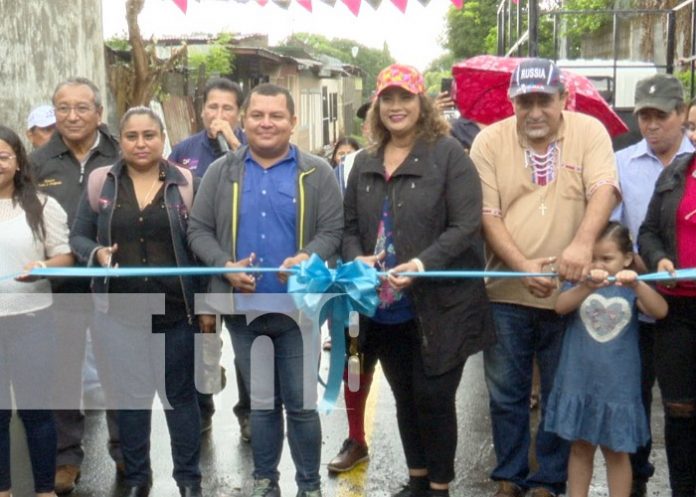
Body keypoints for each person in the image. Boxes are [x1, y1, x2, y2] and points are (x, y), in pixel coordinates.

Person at [342, 63, 495, 497]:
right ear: (376, 107)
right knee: (404, 395)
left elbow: (466, 225)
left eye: (404, 98)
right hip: (385, 305)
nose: (395, 107)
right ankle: (418, 478)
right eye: (387, 99)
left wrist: (423, 264)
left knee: (433, 396)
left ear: (421, 103)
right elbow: (349, 226)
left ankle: (441, 486)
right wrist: (357, 259)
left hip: (442, 305)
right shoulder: (365, 161)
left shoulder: (448, 155)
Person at [469, 58, 620, 497]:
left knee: (560, 391)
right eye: (524, 101)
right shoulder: (488, 141)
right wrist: (521, 265)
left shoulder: (589, 132)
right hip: (505, 290)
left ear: (563, 99)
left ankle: (549, 479)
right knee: (505, 394)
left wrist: (581, 246)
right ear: (512, 102)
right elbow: (487, 213)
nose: (535, 111)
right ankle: (510, 475)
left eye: (544, 100)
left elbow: (603, 190)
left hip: (570, 290)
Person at [188, 83, 343, 497]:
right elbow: (197, 229)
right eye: (257, 115)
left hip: (299, 311)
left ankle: (308, 485)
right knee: (262, 405)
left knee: (302, 405)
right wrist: (224, 265)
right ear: (245, 120)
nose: (266, 123)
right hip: (243, 311)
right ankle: (264, 481)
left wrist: (308, 256)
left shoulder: (317, 172)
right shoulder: (223, 171)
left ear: (293, 122)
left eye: (276, 116)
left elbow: (332, 230)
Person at [70, 106, 206, 497]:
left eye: (149, 135)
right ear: (121, 139)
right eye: (132, 136)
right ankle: (136, 479)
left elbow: (200, 245)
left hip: (176, 313)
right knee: (129, 402)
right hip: (119, 316)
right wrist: (95, 253)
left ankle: (188, 480)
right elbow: (78, 237)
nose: (141, 143)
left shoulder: (185, 183)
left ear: (163, 138)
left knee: (180, 400)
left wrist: (208, 307)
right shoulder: (103, 182)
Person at [30, 76, 122, 495]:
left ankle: (126, 451)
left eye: (81, 107)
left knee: (119, 369)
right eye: (62, 108)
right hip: (60, 287)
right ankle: (67, 459)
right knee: (63, 372)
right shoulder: (38, 162)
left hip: (116, 284)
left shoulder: (122, 152)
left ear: (98, 113)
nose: (72, 116)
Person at [611, 73, 693, 497]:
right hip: (638, 300)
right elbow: (614, 230)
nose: (651, 124)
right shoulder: (621, 164)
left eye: (661, 115)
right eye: (644, 115)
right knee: (634, 399)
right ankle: (638, 478)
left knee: (683, 407)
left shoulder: (694, 163)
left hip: (686, 307)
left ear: (682, 114)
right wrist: (637, 261)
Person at [545, 222, 667, 497]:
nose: (599, 264)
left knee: (616, 451)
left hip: (617, 386)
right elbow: (560, 307)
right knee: (579, 447)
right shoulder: (579, 282)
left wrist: (637, 284)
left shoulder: (629, 288)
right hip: (579, 381)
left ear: (626, 258)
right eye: (593, 257)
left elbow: (660, 310)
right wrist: (586, 286)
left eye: (607, 258)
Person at [0, 125, 74, 497]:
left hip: (32, 321)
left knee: (36, 413)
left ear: (17, 161)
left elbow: (64, 254)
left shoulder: (43, 205)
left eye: (2, 156)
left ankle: (44, 491)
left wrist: (46, 267)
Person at [639, 147, 696, 497]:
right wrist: (659, 258)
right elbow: (647, 232)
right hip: (676, 311)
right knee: (679, 411)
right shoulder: (675, 174)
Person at [169, 77, 247, 177]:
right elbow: (161, 177)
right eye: (213, 107)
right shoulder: (184, 149)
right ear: (203, 110)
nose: (219, 115)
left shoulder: (252, 147)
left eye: (227, 108)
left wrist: (233, 143)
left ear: (239, 114)